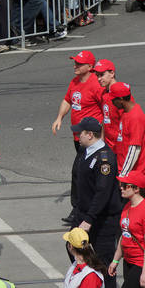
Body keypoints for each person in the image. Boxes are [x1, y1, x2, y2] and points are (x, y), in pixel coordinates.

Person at [51, 50, 103, 225]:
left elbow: (106, 108)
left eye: (79, 64)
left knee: (79, 172)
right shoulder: (74, 82)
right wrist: (59, 117)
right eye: (75, 62)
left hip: (90, 139)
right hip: (77, 136)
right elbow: (67, 101)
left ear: (90, 67)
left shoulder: (96, 84)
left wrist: (98, 133)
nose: (75, 66)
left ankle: (79, 210)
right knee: (83, 173)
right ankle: (83, 207)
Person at [70, 116, 122, 288]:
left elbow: (103, 192)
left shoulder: (104, 159)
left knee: (104, 262)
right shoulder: (86, 151)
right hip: (83, 214)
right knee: (72, 246)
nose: (78, 136)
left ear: (90, 135)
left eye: (81, 133)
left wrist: (89, 219)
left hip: (101, 221)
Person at [108, 170, 145, 288]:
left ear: (136, 189)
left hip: (141, 263)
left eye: (125, 186)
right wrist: (115, 261)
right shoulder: (127, 206)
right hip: (128, 260)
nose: (121, 188)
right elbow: (124, 235)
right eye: (121, 185)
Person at [109, 82, 145, 178]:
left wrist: (123, 175)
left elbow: (134, 148)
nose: (111, 102)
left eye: (113, 99)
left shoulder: (135, 117)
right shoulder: (126, 112)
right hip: (126, 169)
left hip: (135, 173)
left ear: (121, 99)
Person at [93, 59, 122, 154]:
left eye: (101, 75)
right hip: (108, 146)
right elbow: (105, 121)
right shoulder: (104, 94)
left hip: (120, 147)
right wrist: (101, 143)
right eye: (97, 75)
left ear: (112, 73)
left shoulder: (120, 94)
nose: (98, 79)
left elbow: (127, 122)